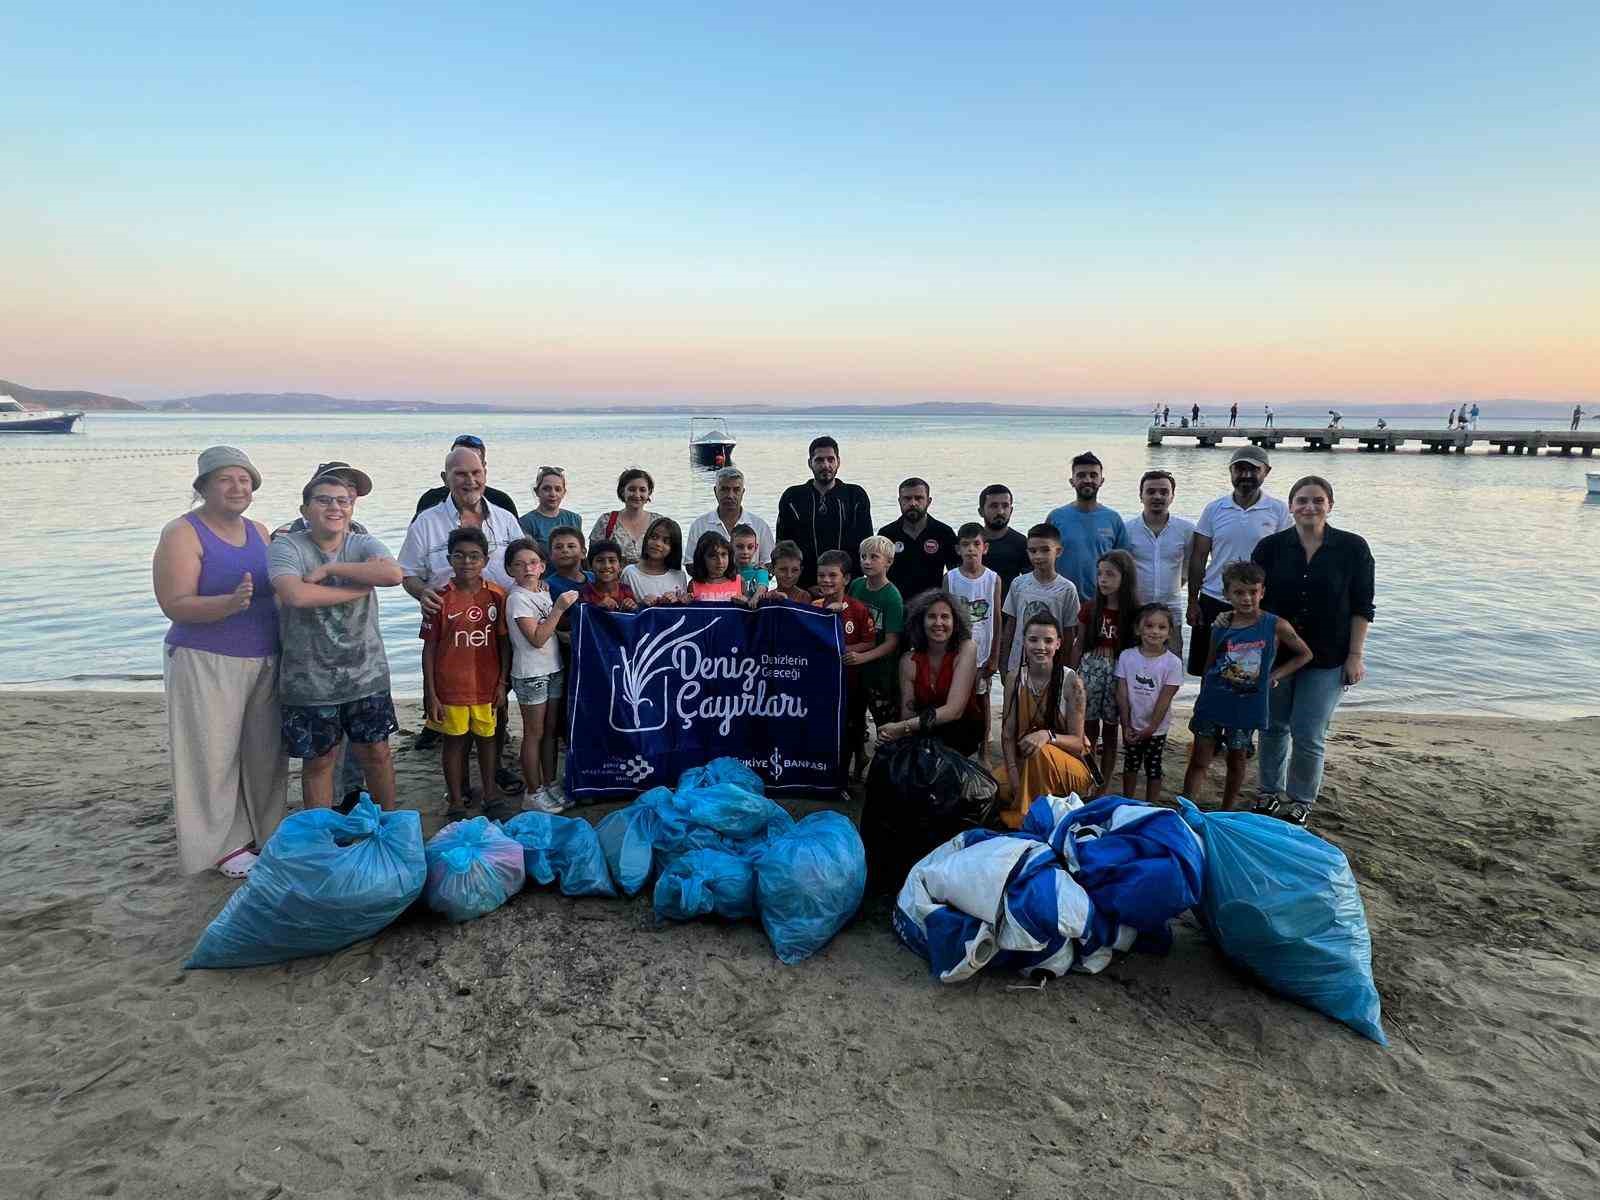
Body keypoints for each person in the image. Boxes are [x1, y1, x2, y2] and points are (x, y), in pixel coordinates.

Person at [153, 447, 287, 877]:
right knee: (212, 754)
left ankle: (268, 832)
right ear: (204, 487)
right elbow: (173, 603)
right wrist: (226, 605)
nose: (237, 487)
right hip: (205, 659)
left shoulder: (261, 531)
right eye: (226, 479)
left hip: (265, 656)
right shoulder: (182, 533)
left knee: (265, 752)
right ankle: (222, 846)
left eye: (245, 480)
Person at [268, 466, 402, 812]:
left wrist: (331, 570)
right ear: (305, 510)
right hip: (309, 680)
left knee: (377, 754)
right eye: (324, 501)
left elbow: (392, 573)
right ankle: (322, 838)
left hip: (366, 674)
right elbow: (295, 595)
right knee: (319, 762)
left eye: (343, 501)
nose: (335, 508)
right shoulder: (287, 547)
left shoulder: (362, 542)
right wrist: (358, 589)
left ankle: (386, 830)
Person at [1249, 475, 1375, 826]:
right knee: (1273, 727)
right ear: (1290, 507)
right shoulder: (1270, 548)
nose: (1309, 506)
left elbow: (1363, 605)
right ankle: (1269, 792)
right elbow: (1253, 599)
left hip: (1329, 654)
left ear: (1329, 505)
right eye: (1302, 500)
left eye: (1318, 500)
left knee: (1309, 733)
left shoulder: (1353, 548)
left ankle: (1301, 799)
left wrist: (1355, 655)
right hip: (1276, 654)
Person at [399, 444, 524, 785]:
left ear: (485, 474)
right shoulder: (427, 523)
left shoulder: (505, 518)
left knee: (495, 701)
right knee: (456, 707)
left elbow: (523, 564)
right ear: (446, 479)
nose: (469, 481)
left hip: (496, 626)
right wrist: (421, 592)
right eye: (460, 474)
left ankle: (494, 769)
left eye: (476, 473)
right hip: (450, 630)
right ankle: (460, 786)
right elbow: (406, 572)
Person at [1181, 561, 1311, 810]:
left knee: (1237, 760)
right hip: (1213, 702)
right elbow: (1209, 665)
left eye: (1253, 592)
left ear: (1262, 592)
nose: (1247, 598)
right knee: (1200, 757)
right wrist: (1201, 699)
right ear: (1227, 594)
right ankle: (1185, 807)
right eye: (1239, 592)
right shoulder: (1221, 625)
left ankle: (1227, 811)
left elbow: (1304, 654)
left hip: (1247, 707)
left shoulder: (1275, 625)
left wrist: (1274, 675)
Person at [420, 527, 510, 820]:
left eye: (474, 556)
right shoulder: (439, 599)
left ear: (485, 559)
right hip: (450, 688)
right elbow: (430, 649)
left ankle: (490, 793)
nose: (467, 562)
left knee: (488, 740)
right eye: (459, 556)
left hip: (486, 686)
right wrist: (430, 693)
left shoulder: (497, 596)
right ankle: (457, 799)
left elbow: (504, 642)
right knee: (454, 743)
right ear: (449, 559)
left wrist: (502, 683)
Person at [1186, 445, 1292, 676]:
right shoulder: (1214, 509)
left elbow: (1286, 560)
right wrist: (1193, 601)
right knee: (1208, 667)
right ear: (1231, 471)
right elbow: (1198, 557)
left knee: (1247, 670)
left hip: (1256, 601)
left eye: (1253, 470)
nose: (1245, 475)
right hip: (1214, 598)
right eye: (1239, 469)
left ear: (1266, 472)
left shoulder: (1278, 510)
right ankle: (1206, 710)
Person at [504, 538, 578, 815]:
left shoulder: (542, 592)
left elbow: (551, 632)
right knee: (533, 734)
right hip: (530, 673)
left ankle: (548, 784)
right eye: (519, 564)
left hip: (553, 668)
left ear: (543, 566)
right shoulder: (517, 599)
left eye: (533, 562)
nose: (527, 568)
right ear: (510, 570)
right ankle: (532, 791)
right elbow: (536, 638)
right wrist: (559, 608)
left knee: (550, 732)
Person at [999, 612, 1093, 826]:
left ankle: (1026, 819)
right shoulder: (1015, 678)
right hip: (1025, 762)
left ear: (1058, 644)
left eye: (1048, 640)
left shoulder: (1072, 682)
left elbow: (1078, 744)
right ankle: (1033, 802)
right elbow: (1007, 734)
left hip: (1068, 766)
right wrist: (1013, 773)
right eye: (1033, 639)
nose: (1040, 646)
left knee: (1040, 752)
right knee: (996, 787)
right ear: (1023, 642)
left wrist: (1047, 736)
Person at [878, 591, 983, 756]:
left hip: (961, 734)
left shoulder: (967, 648)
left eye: (945, 617)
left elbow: (954, 710)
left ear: (955, 622)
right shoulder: (908, 661)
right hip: (923, 732)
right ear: (921, 621)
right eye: (932, 616)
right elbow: (908, 713)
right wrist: (892, 733)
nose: (938, 623)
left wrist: (901, 727)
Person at [1071, 549, 1139, 786]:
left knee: (1111, 732)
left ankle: (1104, 783)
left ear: (1125, 578)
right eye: (1100, 574)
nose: (1103, 579)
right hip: (1090, 671)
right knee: (1087, 729)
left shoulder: (1133, 614)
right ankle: (1087, 777)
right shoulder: (1090, 608)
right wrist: (1070, 675)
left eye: (1110, 574)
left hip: (1118, 674)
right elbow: (1078, 644)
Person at [810, 549, 877, 769]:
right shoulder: (814, 607)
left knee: (853, 726)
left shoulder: (858, 609)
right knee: (826, 726)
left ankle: (850, 770)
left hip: (851, 682)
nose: (826, 580)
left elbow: (869, 642)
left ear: (846, 578)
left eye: (832, 575)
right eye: (821, 576)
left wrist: (844, 649)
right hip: (823, 682)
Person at [776, 435, 873, 586]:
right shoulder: (793, 497)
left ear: (838, 462)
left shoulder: (855, 496)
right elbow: (783, 546)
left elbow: (866, 544)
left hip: (847, 586)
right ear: (810, 463)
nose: (825, 465)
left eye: (830, 459)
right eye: (819, 460)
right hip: (804, 586)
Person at [1114, 605, 1184, 805]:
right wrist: (1126, 724)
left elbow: (1165, 698)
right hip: (1132, 725)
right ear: (1138, 629)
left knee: (1153, 767)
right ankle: (1127, 803)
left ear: (1169, 632)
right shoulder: (1127, 656)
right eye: (1149, 626)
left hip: (1156, 728)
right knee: (1130, 764)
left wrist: (1151, 727)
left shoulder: (1173, 663)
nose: (1155, 631)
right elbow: (1122, 692)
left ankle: (1151, 805)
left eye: (1162, 627)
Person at [944, 523, 1001, 760]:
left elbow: (997, 617)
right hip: (956, 652)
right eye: (965, 545)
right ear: (958, 549)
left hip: (982, 653)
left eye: (976, 544)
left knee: (982, 700)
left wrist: (995, 656)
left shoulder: (993, 579)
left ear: (985, 548)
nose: (971, 550)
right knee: (955, 698)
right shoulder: (951, 578)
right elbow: (943, 615)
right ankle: (954, 745)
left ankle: (984, 750)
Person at [998, 524, 1080, 684]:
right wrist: (1004, 662)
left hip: (1051, 663)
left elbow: (1069, 633)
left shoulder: (1067, 589)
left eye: (1045, 550)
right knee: (1017, 705)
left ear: (1058, 551)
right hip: (1019, 663)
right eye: (1032, 551)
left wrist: (1064, 668)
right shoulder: (1019, 584)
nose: (1038, 556)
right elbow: (1011, 625)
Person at [1125, 470, 1194, 658]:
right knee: (1133, 664)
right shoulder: (1127, 530)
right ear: (1141, 496)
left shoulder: (1186, 530)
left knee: (1171, 665)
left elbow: (1189, 568)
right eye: (1151, 491)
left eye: (1164, 492)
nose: (1157, 496)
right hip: (1136, 611)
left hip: (1171, 611)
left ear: (1172, 496)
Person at [1045, 452, 1129, 604]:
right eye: (1081, 475)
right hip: (1060, 600)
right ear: (1072, 481)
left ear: (1101, 480)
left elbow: (1124, 566)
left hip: (1100, 602)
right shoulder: (1056, 518)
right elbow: (1043, 559)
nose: (1087, 480)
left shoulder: (1113, 519)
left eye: (1093, 475)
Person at [846, 535, 905, 742]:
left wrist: (864, 657)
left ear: (888, 561)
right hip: (855, 665)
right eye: (863, 556)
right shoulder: (856, 586)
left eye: (874, 557)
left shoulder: (892, 597)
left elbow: (892, 641)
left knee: (884, 719)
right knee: (853, 717)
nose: (866, 561)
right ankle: (859, 755)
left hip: (881, 671)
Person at [879, 477, 959, 601]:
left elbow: (956, 574)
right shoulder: (887, 534)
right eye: (907, 498)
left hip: (932, 607)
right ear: (900, 501)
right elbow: (878, 573)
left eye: (919, 498)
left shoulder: (944, 532)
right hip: (897, 605)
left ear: (929, 501)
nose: (913, 503)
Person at [413, 434, 519, 519]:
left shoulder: (501, 502)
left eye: (474, 465)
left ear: (484, 470)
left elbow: (518, 544)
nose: (469, 480)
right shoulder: (430, 501)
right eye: (460, 470)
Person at [687, 467, 775, 565]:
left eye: (736, 490)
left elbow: (769, 563)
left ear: (743, 492)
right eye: (724, 489)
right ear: (715, 491)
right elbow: (690, 563)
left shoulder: (760, 526)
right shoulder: (699, 525)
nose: (730, 495)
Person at [588, 468, 661, 565]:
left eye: (642, 490)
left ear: (649, 492)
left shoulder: (658, 522)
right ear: (622, 491)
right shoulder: (606, 521)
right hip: (614, 579)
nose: (637, 494)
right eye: (632, 489)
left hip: (650, 579)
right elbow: (592, 559)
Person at [622, 516, 689, 604]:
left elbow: (682, 610)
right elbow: (624, 609)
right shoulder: (630, 573)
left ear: (673, 548)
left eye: (665, 541)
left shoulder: (679, 575)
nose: (658, 544)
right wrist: (642, 604)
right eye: (654, 537)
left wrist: (677, 601)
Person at [977, 484, 1030, 593]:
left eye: (1005, 506)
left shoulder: (1021, 542)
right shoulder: (972, 544)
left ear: (1011, 510)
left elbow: (1030, 582)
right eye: (994, 506)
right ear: (981, 511)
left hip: (1010, 608)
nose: (1000, 511)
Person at [519, 466, 583, 548]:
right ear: (537, 491)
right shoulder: (526, 522)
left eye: (558, 489)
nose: (553, 494)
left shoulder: (574, 519)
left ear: (564, 493)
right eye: (546, 489)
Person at [580, 539, 637, 610]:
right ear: (590, 566)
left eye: (612, 560)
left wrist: (632, 607)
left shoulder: (626, 590)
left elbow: (635, 617)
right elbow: (584, 617)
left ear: (621, 565)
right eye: (600, 560)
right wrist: (598, 608)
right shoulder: (586, 592)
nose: (607, 566)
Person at [688, 529, 743, 601]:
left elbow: (751, 607)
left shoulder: (739, 581)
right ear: (701, 559)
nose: (720, 561)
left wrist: (746, 601)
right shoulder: (693, 585)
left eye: (723, 554)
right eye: (713, 556)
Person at [732, 524, 772, 598]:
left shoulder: (760, 571)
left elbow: (761, 588)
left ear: (756, 548)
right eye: (740, 547)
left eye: (750, 547)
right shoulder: (727, 572)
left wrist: (755, 597)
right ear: (730, 546)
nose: (745, 552)